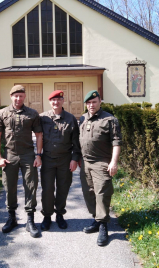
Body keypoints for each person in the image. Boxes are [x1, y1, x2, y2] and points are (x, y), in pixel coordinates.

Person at [0, 85, 43, 238]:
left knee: (31, 186)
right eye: (16, 96)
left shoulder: (32, 114)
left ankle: (30, 220)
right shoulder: (2, 113)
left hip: (28, 155)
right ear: (11, 96)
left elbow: (39, 135)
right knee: (10, 187)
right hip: (10, 155)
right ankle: (11, 217)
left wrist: (38, 155)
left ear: (24, 97)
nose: (18, 98)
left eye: (21, 96)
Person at [79, 90, 122, 246]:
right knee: (88, 192)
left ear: (100, 102)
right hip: (85, 163)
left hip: (101, 162)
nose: (91, 105)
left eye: (94, 102)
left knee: (102, 193)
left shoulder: (110, 120)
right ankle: (96, 220)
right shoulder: (82, 118)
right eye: (88, 103)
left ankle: (103, 226)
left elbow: (116, 142)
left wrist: (114, 162)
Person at [39, 90, 81, 231]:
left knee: (63, 188)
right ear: (49, 102)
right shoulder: (43, 118)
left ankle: (59, 215)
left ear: (63, 101)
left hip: (65, 159)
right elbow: (36, 135)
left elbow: (76, 141)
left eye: (58, 99)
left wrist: (75, 159)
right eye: (53, 100)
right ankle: (47, 216)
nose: (55, 102)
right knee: (47, 189)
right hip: (48, 159)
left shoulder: (70, 119)